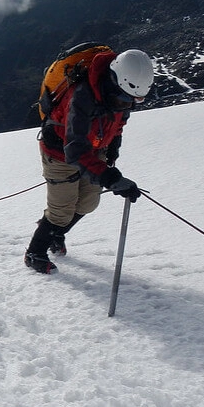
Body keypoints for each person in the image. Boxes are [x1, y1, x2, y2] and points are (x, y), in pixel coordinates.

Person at [24, 48, 154, 274]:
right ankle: (35, 252)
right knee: (61, 211)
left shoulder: (120, 96)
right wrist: (110, 178)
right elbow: (75, 150)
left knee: (88, 203)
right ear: (113, 80)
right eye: (125, 99)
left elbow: (118, 124)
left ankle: (56, 233)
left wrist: (112, 148)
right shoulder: (82, 97)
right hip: (59, 153)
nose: (128, 105)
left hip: (94, 149)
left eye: (134, 101)